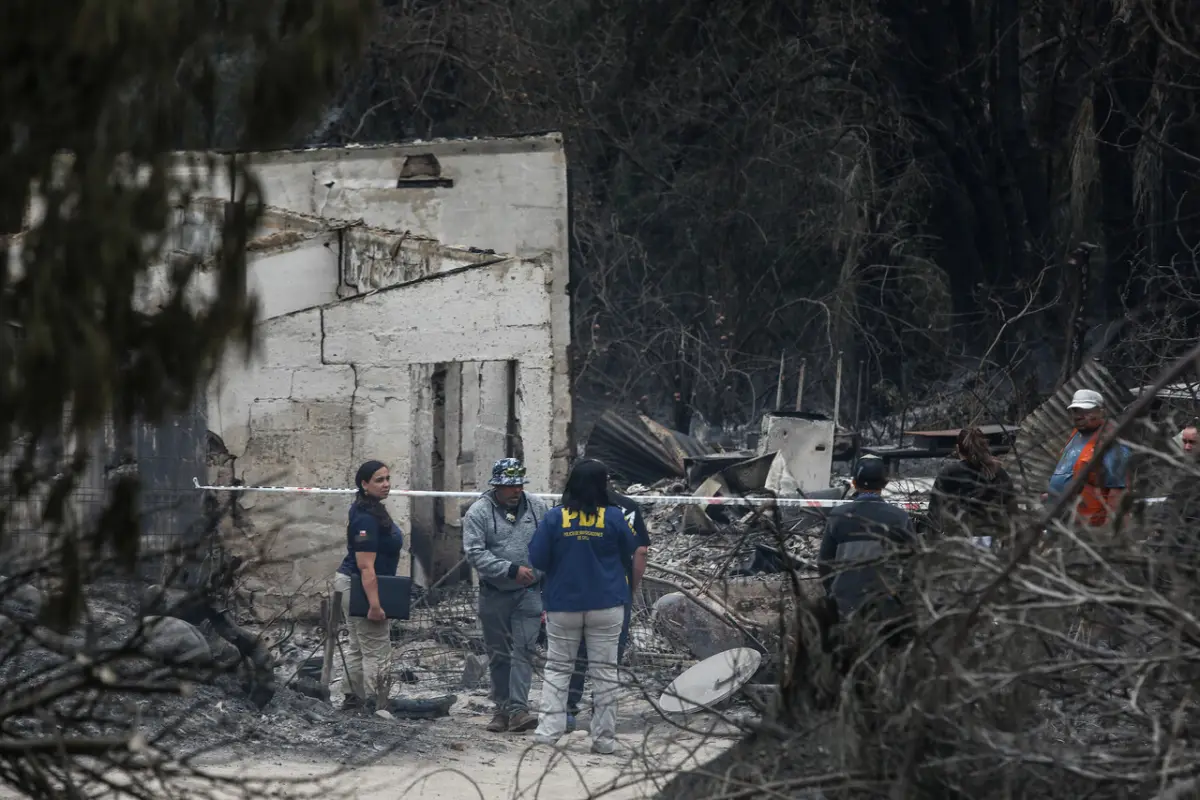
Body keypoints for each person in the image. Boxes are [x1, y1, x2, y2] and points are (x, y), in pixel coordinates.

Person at [529, 458, 639, 755]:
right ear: (602, 485)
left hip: (563, 604)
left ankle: (547, 735)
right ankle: (603, 740)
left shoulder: (555, 518)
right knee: (605, 673)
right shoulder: (615, 517)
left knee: (558, 669)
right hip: (607, 603)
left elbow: (537, 559)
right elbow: (631, 550)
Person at [462, 457, 547, 733]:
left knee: (524, 650)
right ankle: (501, 708)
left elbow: (549, 544)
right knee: (499, 654)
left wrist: (541, 575)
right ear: (497, 486)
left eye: (519, 485)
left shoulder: (538, 508)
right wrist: (509, 570)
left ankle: (519, 710)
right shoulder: (479, 512)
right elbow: (475, 553)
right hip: (495, 592)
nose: (516, 491)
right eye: (510, 486)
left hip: (530, 592)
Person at [563, 474, 650, 733]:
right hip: (613, 593)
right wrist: (630, 589)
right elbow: (641, 551)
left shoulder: (567, 507)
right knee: (608, 660)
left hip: (573, 592)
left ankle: (567, 710)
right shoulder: (626, 508)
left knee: (574, 655)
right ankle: (601, 718)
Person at [817, 457, 916, 643]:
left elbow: (824, 563)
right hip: (885, 606)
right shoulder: (899, 518)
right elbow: (912, 564)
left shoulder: (838, 516)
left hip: (845, 606)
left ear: (853, 483)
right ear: (885, 484)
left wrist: (835, 593)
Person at [332, 460, 405, 712]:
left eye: (387, 478)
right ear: (364, 484)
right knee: (377, 648)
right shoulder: (365, 518)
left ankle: (352, 700)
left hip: (353, 582)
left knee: (357, 646)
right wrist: (374, 604)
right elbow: (366, 566)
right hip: (361, 585)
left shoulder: (370, 509)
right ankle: (377, 704)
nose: (386, 484)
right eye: (378, 480)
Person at [1045, 389, 1131, 527]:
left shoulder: (1111, 444)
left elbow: (1118, 493)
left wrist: (1110, 532)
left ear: (1102, 412)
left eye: (1086, 411)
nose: (1079, 416)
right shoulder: (1076, 435)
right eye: (1075, 411)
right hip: (1062, 521)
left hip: (1089, 526)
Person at [927, 427, 1016, 547]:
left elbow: (935, 511)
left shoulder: (949, 473)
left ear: (958, 449)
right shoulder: (998, 473)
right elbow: (1012, 509)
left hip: (960, 541)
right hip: (995, 541)